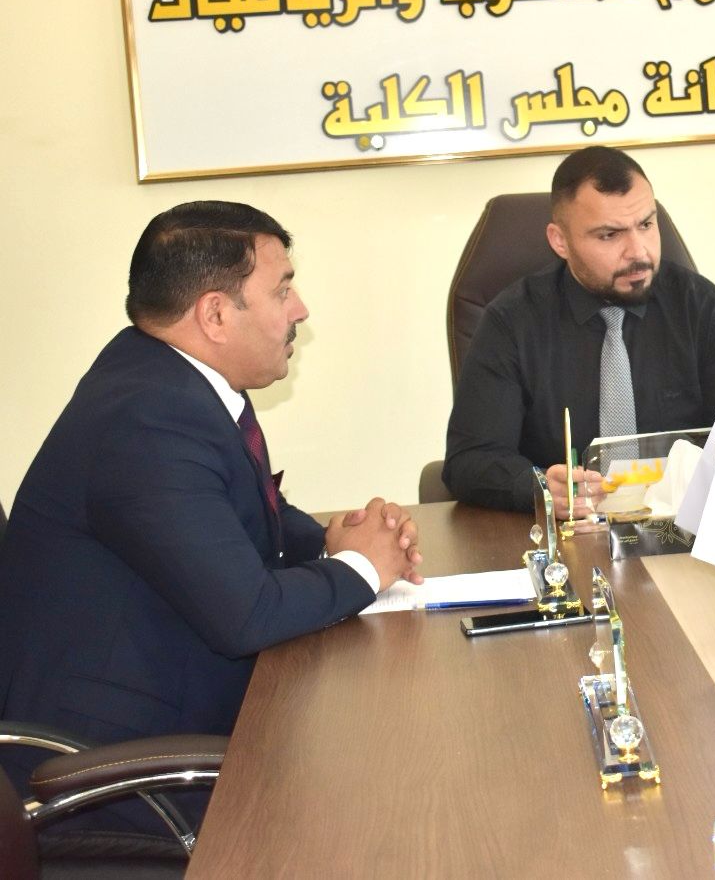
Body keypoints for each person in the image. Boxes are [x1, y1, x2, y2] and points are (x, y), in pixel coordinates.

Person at [0, 201, 423, 817]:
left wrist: (331, 540)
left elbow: (226, 515)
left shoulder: (161, 378)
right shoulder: (146, 419)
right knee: (386, 795)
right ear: (216, 314)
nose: (300, 309)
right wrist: (362, 568)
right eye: (282, 290)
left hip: (176, 718)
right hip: (117, 772)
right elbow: (246, 616)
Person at [444, 145, 715, 516]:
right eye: (609, 235)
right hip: (569, 533)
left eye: (646, 225)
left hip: (683, 531)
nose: (638, 252)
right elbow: (470, 461)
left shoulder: (700, 307)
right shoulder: (512, 321)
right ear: (560, 241)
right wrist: (540, 486)